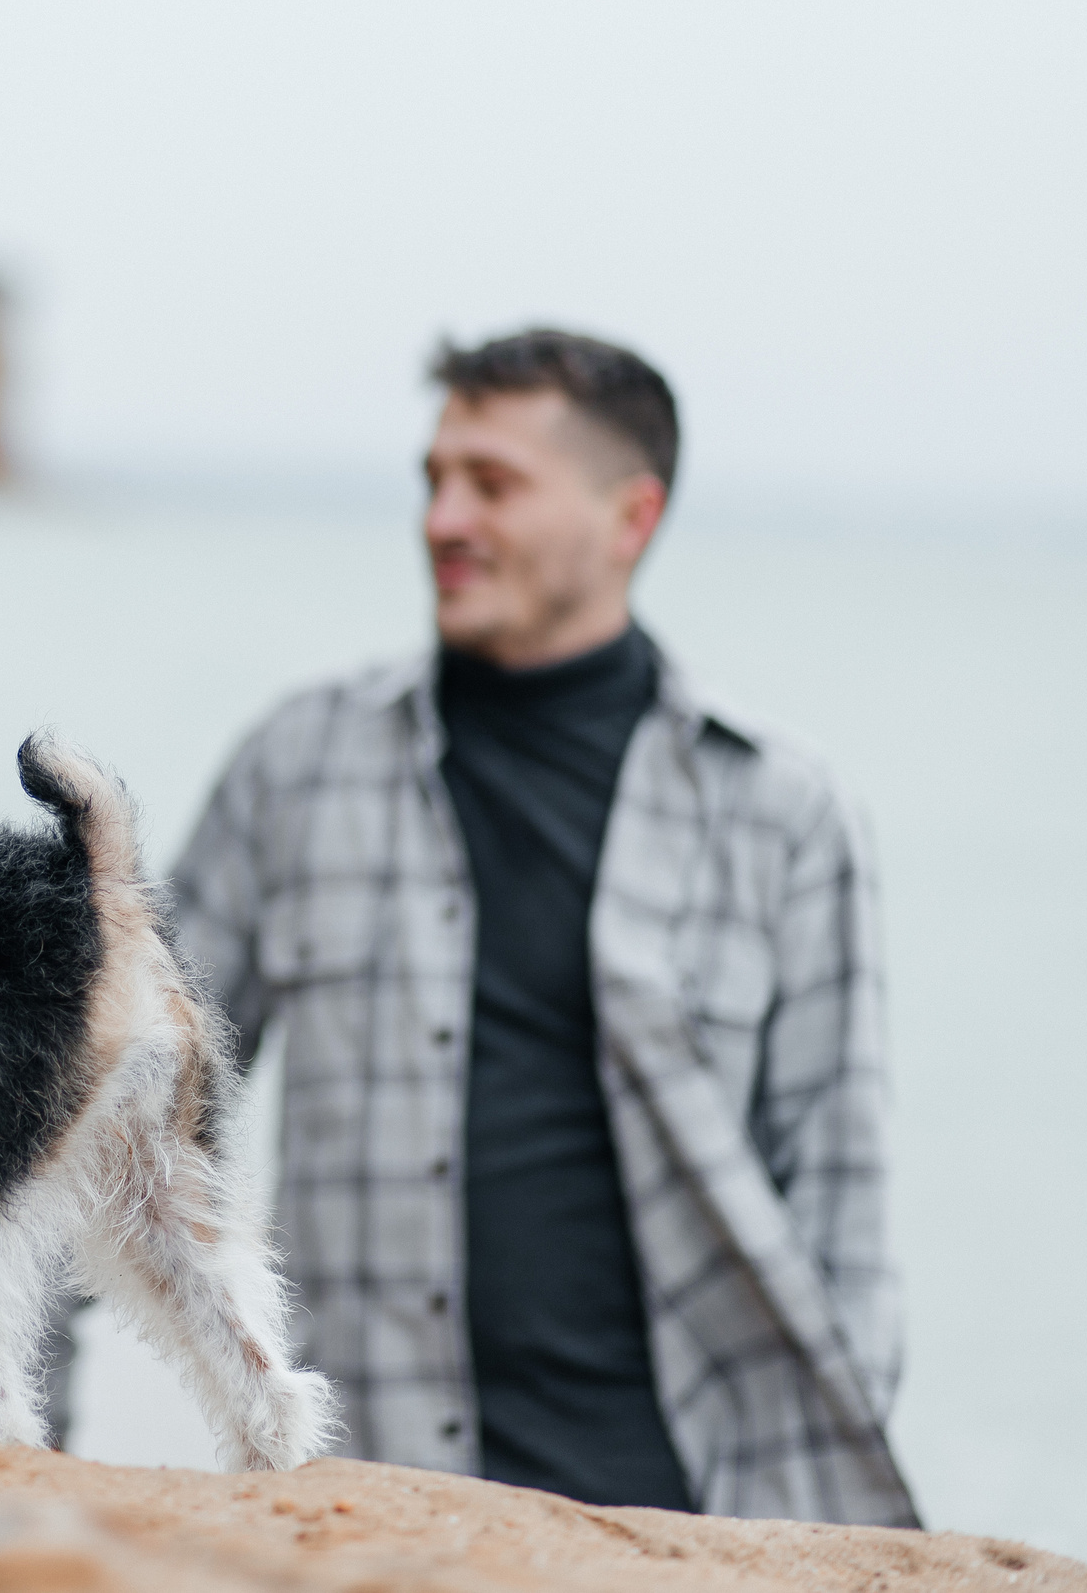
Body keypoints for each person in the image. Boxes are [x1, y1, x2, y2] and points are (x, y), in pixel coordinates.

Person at [168, 329, 915, 1524]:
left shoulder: (781, 810)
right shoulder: (294, 766)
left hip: (689, 1520)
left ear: (631, 517)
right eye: (433, 478)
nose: (443, 519)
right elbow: (126, 1111)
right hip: (373, 1512)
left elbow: (841, 1196)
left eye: (493, 483)